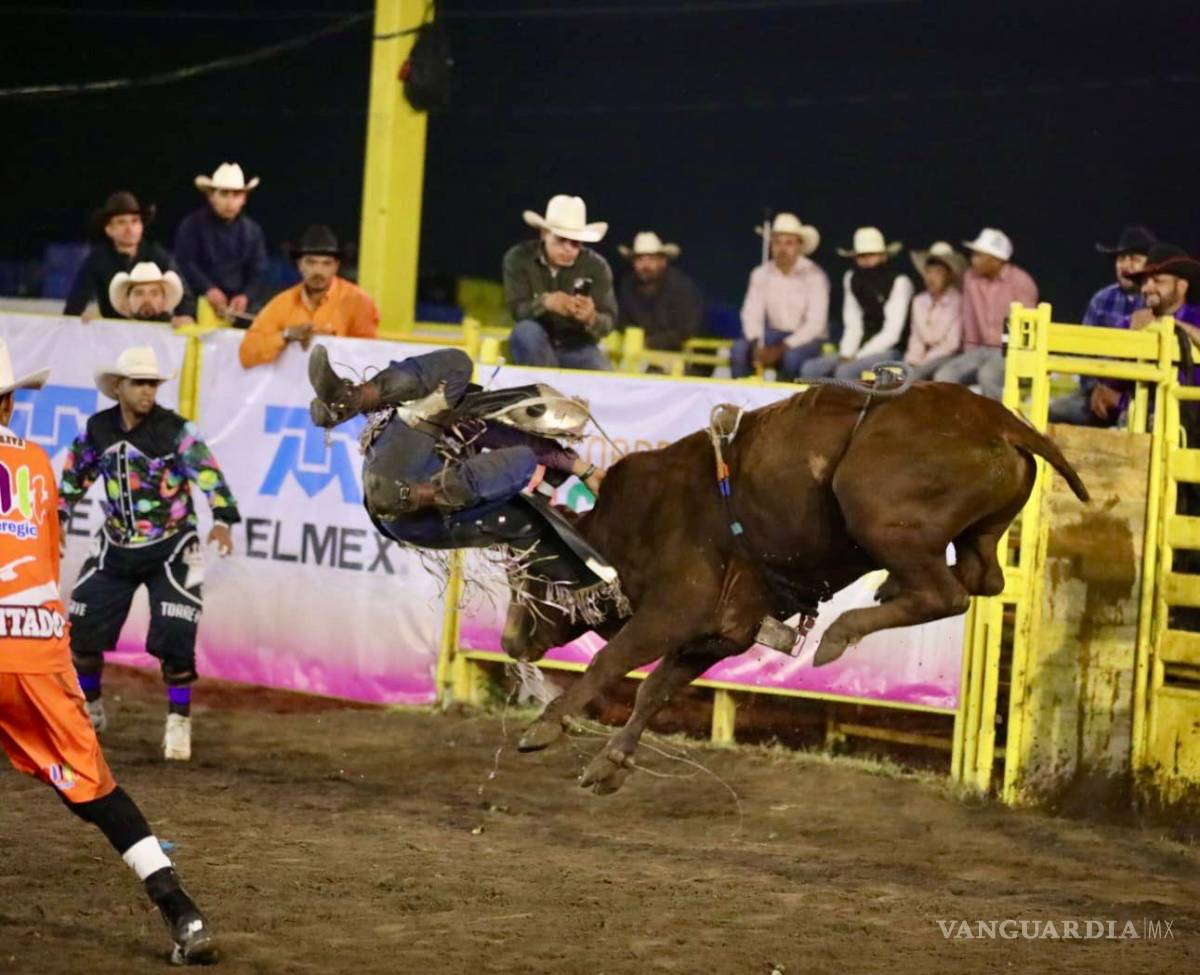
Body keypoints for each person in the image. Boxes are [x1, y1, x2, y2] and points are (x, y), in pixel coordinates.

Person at [0, 339, 216, 964]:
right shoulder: (37, 461)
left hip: (143, 553)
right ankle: (181, 911)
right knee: (91, 787)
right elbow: (46, 548)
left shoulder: (146, 437)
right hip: (36, 646)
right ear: (9, 404)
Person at [59, 346, 240, 761]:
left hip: (177, 546)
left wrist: (222, 520)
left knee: (178, 635)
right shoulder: (97, 429)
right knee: (82, 630)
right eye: (139, 383)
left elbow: (209, 475)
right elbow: (74, 476)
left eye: (152, 384)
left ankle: (179, 720)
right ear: (118, 387)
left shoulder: (177, 430)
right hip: (116, 545)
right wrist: (59, 517)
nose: (147, 391)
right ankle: (91, 707)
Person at [1049, 225, 1156, 426]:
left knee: (1134, 421)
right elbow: (1083, 352)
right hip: (1098, 392)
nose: (1126, 265)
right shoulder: (1101, 299)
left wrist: (1121, 396)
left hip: (1141, 396)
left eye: (1134, 259)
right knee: (1054, 412)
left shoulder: (1156, 300)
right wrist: (1097, 388)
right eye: (1121, 258)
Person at [502, 195, 618, 371]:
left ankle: (549, 384)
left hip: (578, 344)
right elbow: (517, 310)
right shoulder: (519, 258)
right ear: (544, 233)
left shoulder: (596, 266)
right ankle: (548, 386)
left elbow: (609, 322)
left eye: (575, 242)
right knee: (526, 331)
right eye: (561, 239)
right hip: (535, 340)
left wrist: (591, 317)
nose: (568, 248)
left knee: (605, 377)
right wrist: (546, 303)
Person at [239, 224, 379, 368]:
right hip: (291, 387)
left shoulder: (359, 301)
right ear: (300, 264)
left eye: (326, 264)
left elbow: (368, 357)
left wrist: (332, 345)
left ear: (336, 266)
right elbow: (247, 354)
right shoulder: (282, 302)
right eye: (311, 262)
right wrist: (286, 336)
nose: (318, 271)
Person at [932, 227, 1037, 399]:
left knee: (988, 375)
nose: (973, 260)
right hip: (982, 349)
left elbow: (1029, 328)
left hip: (1010, 350)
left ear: (996, 260)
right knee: (945, 375)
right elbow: (969, 319)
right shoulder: (971, 279)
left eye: (979, 255)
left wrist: (1022, 360)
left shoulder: (1021, 282)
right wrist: (969, 352)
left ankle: (998, 421)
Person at [63, 191, 196, 326]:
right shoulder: (97, 259)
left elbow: (183, 293)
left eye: (134, 221)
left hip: (157, 329)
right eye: (121, 222)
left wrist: (186, 316)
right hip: (114, 332)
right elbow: (76, 302)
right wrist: (78, 319)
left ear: (141, 226)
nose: (129, 228)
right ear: (109, 230)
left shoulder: (157, 254)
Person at [802, 227, 912, 381]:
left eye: (871, 255)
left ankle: (844, 405)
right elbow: (853, 324)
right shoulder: (852, 278)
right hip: (858, 347)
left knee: (845, 372)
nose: (866, 260)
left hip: (892, 350)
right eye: (861, 256)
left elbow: (892, 333)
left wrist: (858, 356)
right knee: (810, 369)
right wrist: (847, 353)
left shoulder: (899, 282)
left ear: (883, 256)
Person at [731, 212, 828, 381]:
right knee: (739, 350)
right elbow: (751, 313)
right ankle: (741, 400)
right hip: (772, 333)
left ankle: (787, 404)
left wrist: (781, 348)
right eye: (777, 242)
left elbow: (815, 325)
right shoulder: (761, 274)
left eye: (788, 243)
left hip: (805, 338)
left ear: (799, 246)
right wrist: (756, 342)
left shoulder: (815, 276)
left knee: (792, 359)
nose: (782, 249)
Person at [175, 162, 268, 321]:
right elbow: (185, 263)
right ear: (211, 196)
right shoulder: (192, 225)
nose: (230, 201)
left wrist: (245, 296)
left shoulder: (253, 231)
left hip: (239, 310)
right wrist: (208, 289)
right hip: (196, 306)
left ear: (244, 198)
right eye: (224, 194)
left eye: (236, 194)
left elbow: (258, 272)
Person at [616, 231, 704, 352]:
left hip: (679, 354)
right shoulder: (627, 285)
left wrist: (650, 343)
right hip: (636, 354)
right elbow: (622, 322)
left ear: (663, 261)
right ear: (633, 263)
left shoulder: (681, 286)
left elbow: (686, 329)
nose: (645, 265)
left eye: (651, 259)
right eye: (640, 259)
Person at [904, 242, 966, 379]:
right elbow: (916, 337)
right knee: (899, 375)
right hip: (923, 357)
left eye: (938, 272)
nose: (931, 278)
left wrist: (924, 361)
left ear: (949, 275)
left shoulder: (958, 301)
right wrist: (912, 361)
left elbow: (952, 343)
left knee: (916, 377)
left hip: (948, 355)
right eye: (928, 272)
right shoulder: (919, 301)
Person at [106, 262, 185, 323]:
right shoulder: (116, 334)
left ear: (164, 299)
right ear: (128, 300)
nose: (147, 300)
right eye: (139, 293)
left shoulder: (177, 332)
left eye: (154, 294)